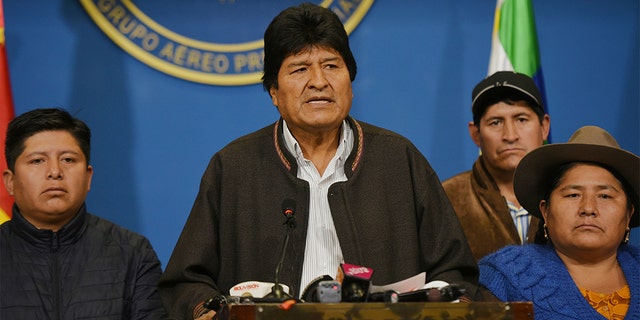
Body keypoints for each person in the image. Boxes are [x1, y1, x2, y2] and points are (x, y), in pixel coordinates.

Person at [158, 3, 480, 319]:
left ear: (350, 81)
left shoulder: (398, 160)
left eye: (331, 66)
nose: (319, 81)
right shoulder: (234, 168)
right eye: (300, 69)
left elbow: (456, 272)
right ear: (273, 91)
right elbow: (187, 283)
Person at [0, 108, 166, 319]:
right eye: (37, 161)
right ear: (10, 182)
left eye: (68, 160)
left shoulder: (133, 253)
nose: (55, 172)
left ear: (88, 177)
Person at [479, 125, 639, 319]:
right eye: (573, 195)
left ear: (628, 214)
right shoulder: (504, 276)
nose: (588, 208)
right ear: (545, 211)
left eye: (605, 196)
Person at [442, 71, 551, 260]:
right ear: (475, 134)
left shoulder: (569, 195)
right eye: (495, 122)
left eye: (521, 119)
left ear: (544, 127)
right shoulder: (447, 199)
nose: (510, 135)